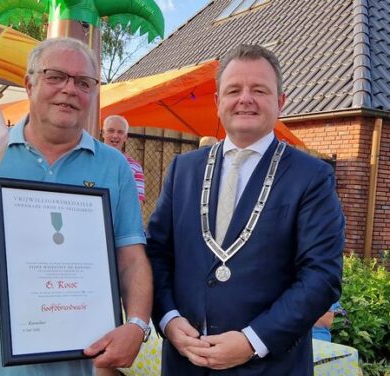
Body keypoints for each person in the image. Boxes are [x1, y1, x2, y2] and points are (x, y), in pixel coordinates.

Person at [0, 37, 152, 375]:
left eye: (84, 82)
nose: (70, 89)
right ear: (29, 83)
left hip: (73, 365)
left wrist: (138, 324)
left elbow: (130, 257)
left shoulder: (114, 167)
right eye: (55, 76)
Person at [146, 44, 345, 375]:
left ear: (280, 102)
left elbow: (321, 276)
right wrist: (168, 319)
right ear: (218, 102)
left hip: (269, 366)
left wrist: (252, 341)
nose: (245, 99)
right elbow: (158, 253)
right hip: (185, 363)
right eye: (234, 90)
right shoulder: (183, 169)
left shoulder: (311, 178)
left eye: (259, 90)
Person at [102, 115, 145, 203]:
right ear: (103, 133)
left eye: (120, 132)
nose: (115, 135)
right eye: (111, 131)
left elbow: (136, 202)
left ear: (125, 137)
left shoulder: (135, 167)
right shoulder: (90, 160)